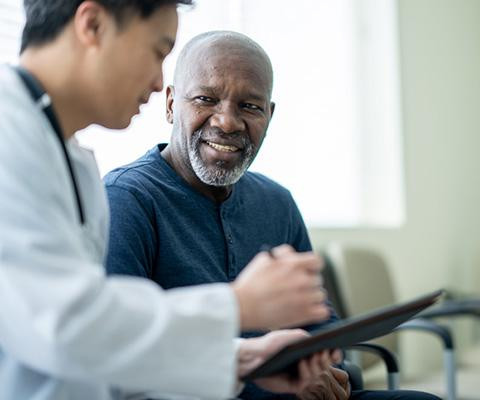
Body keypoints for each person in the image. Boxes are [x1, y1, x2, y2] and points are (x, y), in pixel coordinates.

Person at [0, 2, 340, 400]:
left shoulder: (67, 157)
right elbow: (65, 326)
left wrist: (241, 359)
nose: (161, 83)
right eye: (158, 51)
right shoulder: (11, 139)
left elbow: (107, 340)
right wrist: (236, 305)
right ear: (92, 25)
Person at [105, 31, 440, 400]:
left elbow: (319, 321)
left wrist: (318, 365)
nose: (228, 122)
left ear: (269, 114)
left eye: (250, 106)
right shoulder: (127, 199)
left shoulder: (277, 202)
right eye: (206, 99)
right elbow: (118, 352)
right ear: (171, 104)